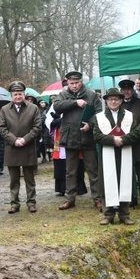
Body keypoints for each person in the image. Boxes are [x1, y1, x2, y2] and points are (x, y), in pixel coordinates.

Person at [54, 70, 102, 210]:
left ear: (82, 82)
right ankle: (70, 199)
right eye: (72, 83)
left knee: (93, 170)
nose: (74, 86)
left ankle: (97, 198)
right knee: (70, 171)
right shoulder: (63, 94)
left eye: (77, 83)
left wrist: (90, 124)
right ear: (67, 83)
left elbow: (99, 112)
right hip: (70, 137)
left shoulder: (91, 95)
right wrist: (75, 102)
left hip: (88, 137)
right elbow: (57, 107)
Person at [93, 88, 140, 225]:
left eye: (116, 99)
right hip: (107, 152)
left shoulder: (129, 115)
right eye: (110, 99)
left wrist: (124, 140)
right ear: (106, 101)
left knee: (124, 181)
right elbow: (96, 135)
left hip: (125, 151)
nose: (113, 101)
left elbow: (136, 132)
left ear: (121, 100)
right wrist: (113, 140)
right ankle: (108, 214)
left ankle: (124, 214)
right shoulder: (100, 116)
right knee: (108, 181)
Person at [0, 81, 42, 214]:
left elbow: (37, 127)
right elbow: (2, 128)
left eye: (20, 94)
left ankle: (31, 202)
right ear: (11, 95)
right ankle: (14, 203)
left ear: (24, 94)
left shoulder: (33, 108)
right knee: (14, 179)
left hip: (28, 148)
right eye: (15, 94)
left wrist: (25, 139)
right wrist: (14, 140)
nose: (18, 97)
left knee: (30, 178)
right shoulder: (4, 110)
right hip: (12, 148)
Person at [119, 79, 140, 208]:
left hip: (139, 142)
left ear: (132, 90)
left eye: (129, 89)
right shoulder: (118, 105)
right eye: (124, 90)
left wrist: (134, 134)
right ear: (121, 91)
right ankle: (130, 197)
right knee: (126, 172)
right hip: (123, 143)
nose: (126, 92)